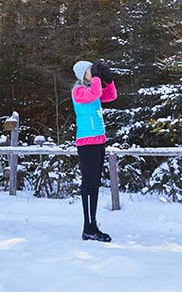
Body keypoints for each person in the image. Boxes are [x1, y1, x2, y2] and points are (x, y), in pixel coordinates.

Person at [71, 59, 117, 242]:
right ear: (83, 73)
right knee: (89, 185)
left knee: (95, 185)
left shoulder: (93, 88)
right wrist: (98, 78)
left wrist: (108, 79)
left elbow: (111, 95)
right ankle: (88, 227)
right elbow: (94, 93)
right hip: (86, 143)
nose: (94, 72)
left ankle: (91, 226)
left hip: (99, 141)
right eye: (91, 70)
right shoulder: (78, 91)